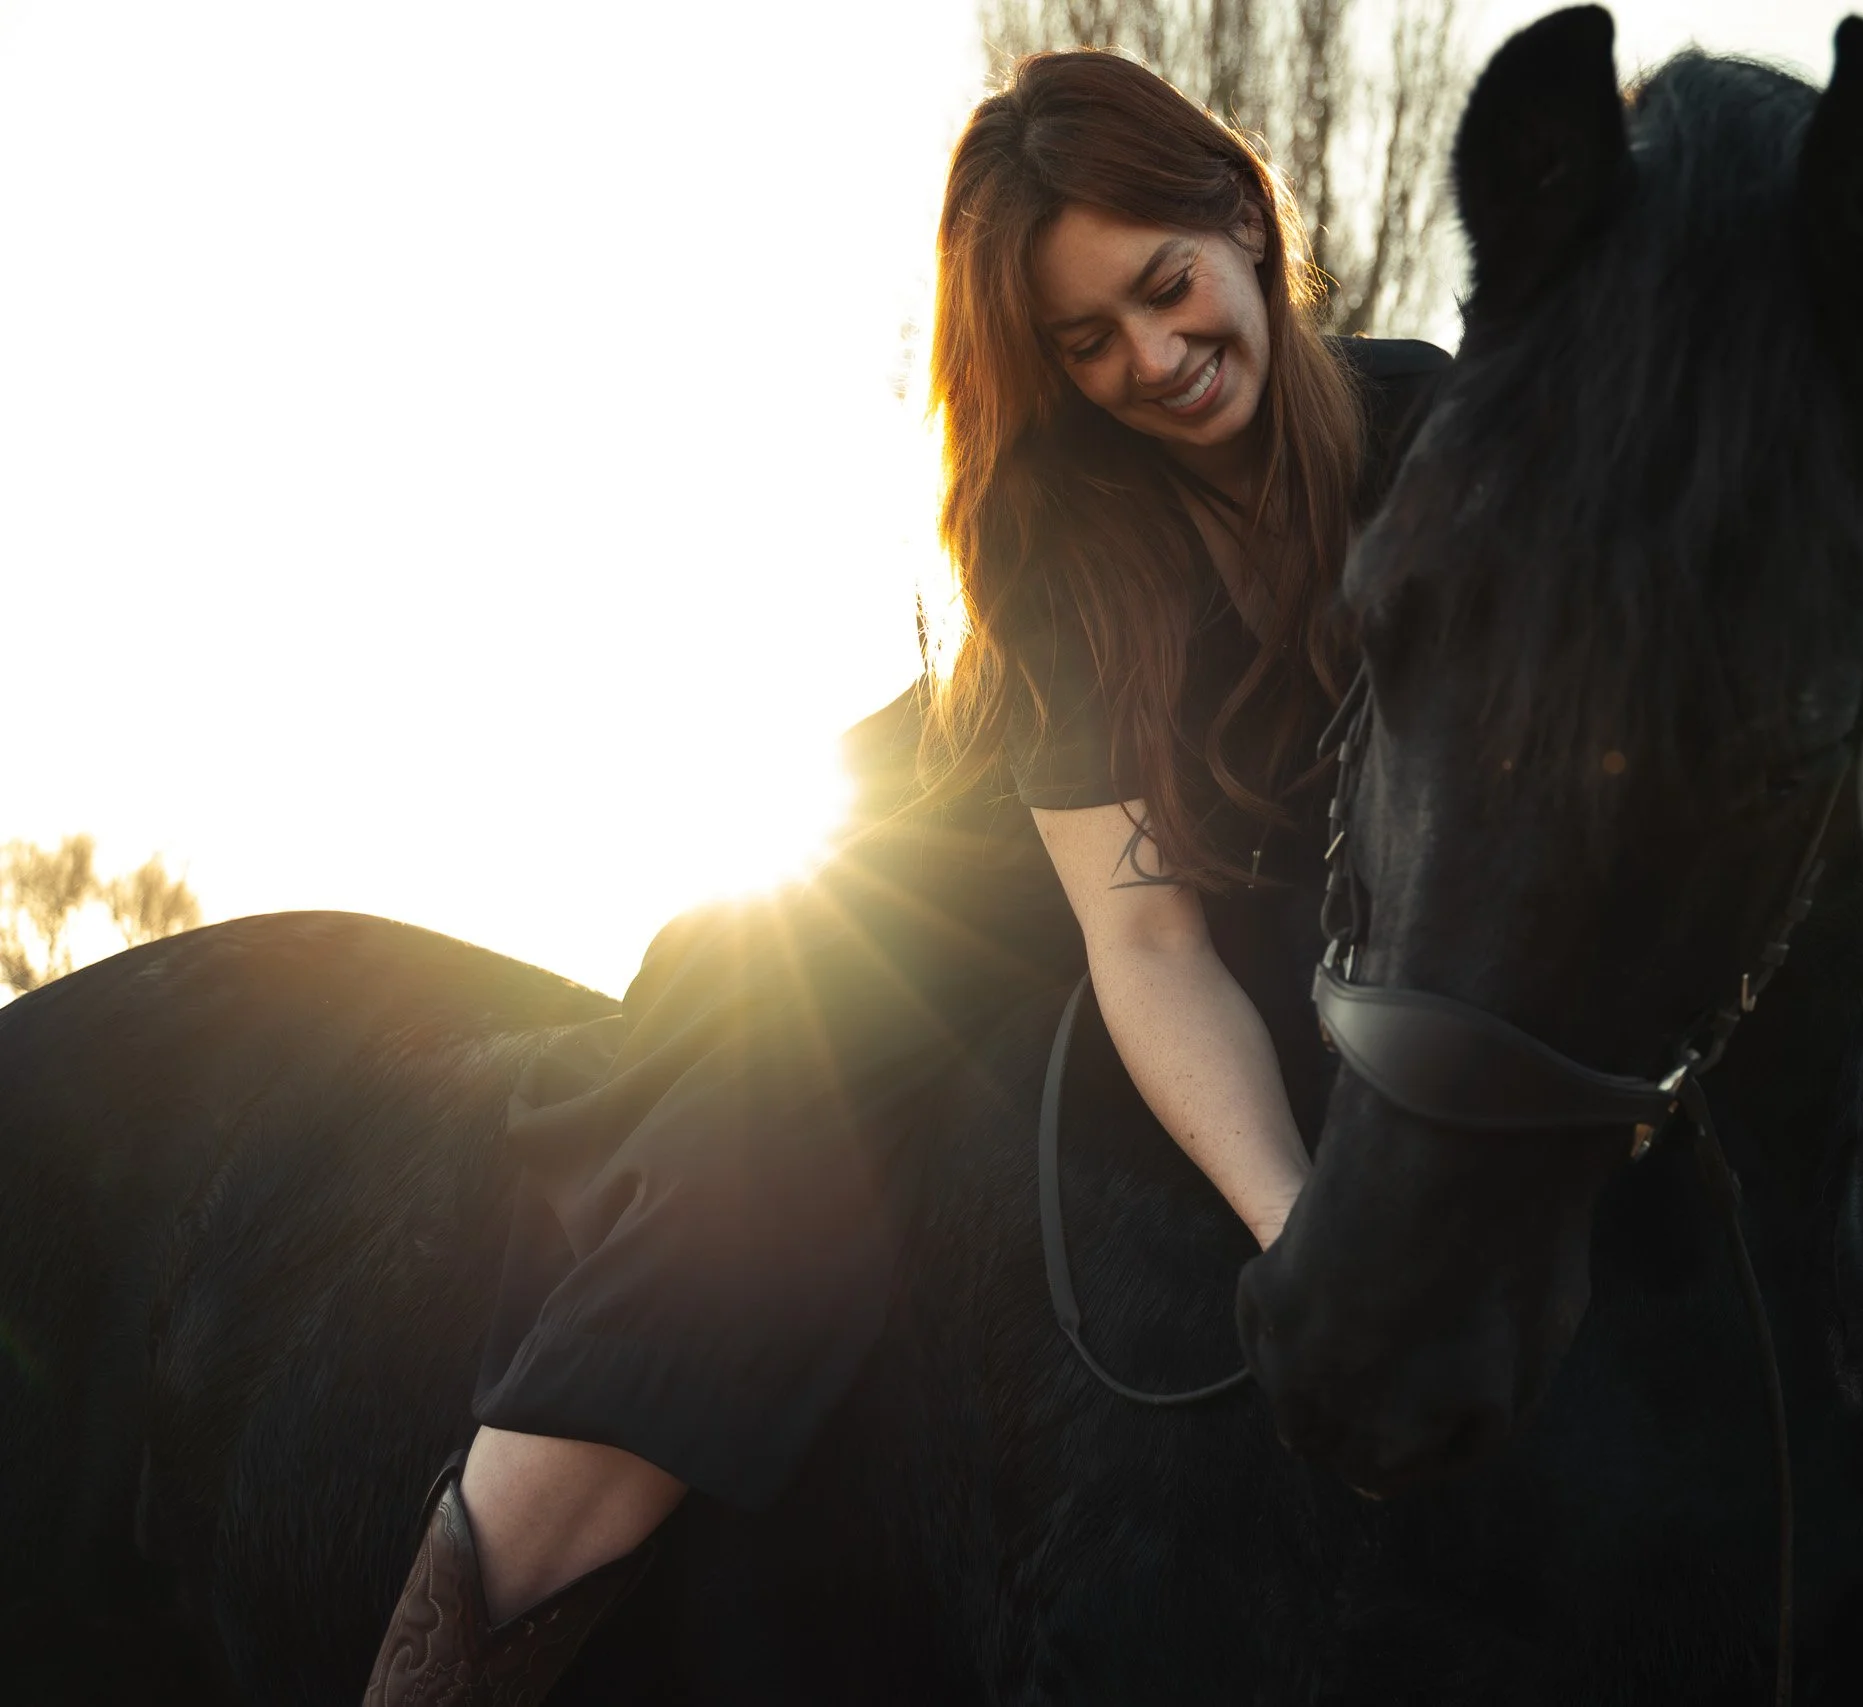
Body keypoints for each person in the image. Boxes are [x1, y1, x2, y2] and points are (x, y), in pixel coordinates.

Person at [360, 47, 1449, 1705]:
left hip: (1237, 902)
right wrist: (1309, 1234)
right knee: (742, 1245)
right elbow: (1144, 938)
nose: (1152, 360)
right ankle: (457, 1639)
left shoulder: (1424, 426)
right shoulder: (1056, 530)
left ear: (1242, 214)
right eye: (1085, 343)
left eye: (1167, 290)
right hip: (905, 921)